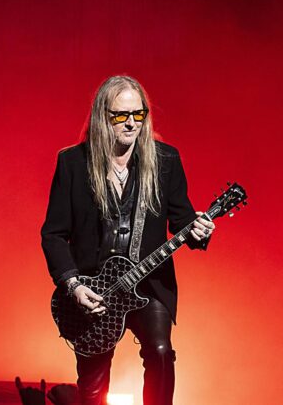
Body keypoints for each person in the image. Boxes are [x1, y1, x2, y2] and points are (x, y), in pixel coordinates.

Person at [40, 75, 216, 405]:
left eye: (139, 114)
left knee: (161, 353)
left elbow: (182, 220)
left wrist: (198, 230)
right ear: (102, 116)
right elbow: (52, 234)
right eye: (121, 115)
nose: (132, 123)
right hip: (93, 288)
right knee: (93, 382)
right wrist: (75, 286)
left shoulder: (165, 161)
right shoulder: (73, 163)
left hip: (147, 284)